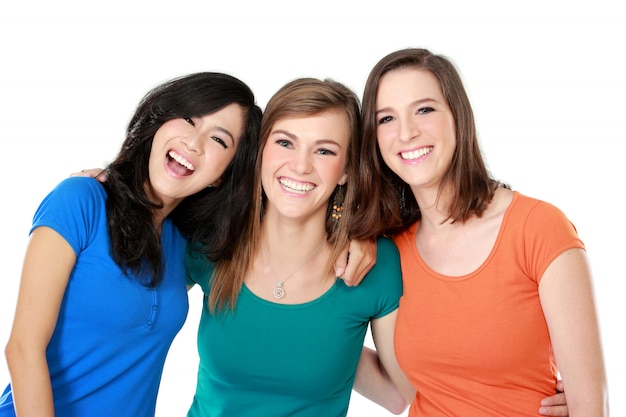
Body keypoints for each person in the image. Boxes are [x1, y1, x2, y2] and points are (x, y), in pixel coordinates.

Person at [353, 47, 609, 416]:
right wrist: (312, 333)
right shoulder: (390, 249)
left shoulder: (538, 228)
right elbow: (404, 394)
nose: (406, 132)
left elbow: (592, 407)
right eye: (386, 118)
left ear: (458, 116)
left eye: (424, 109)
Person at [0, 72, 263, 417]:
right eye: (188, 119)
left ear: (222, 176)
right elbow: (23, 348)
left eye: (218, 139)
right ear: (159, 122)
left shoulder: (183, 244)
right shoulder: (80, 200)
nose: (194, 143)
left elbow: (278, 221)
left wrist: (348, 231)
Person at [184, 76, 411, 417]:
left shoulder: (375, 265)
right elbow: (125, 308)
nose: (301, 165)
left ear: (347, 170)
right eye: (285, 143)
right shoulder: (213, 240)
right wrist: (107, 190)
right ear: (259, 151)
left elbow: (398, 396)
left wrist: (334, 349)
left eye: (324, 150)